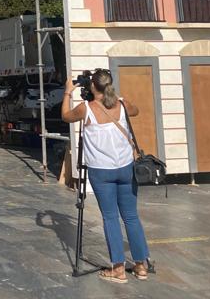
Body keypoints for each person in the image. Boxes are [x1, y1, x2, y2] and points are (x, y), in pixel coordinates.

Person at [61, 69, 150, 284]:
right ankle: (141, 266)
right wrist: (121, 99)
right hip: (125, 168)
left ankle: (118, 268)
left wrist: (67, 92)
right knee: (131, 216)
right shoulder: (122, 104)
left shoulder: (86, 109)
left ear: (92, 86)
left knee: (110, 217)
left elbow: (65, 117)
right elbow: (136, 111)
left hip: (101, 171)